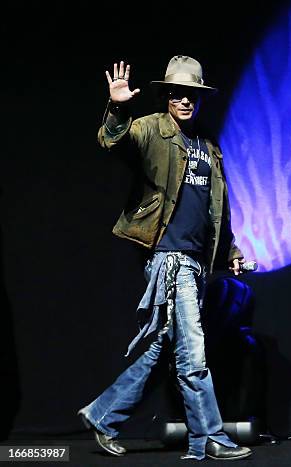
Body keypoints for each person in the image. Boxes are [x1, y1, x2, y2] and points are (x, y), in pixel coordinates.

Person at [77, 55, 252, 461]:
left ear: (199, 97)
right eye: (176, 94)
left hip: (194, 262)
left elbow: (216, 212)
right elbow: (113, 141)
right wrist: (118, 107)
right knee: (193, 353)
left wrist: (231, 252)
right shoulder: (153, 129)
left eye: (191, 94)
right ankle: (208, 436)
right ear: (166, 96)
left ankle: (104, 415)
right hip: (169, 260)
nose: (184, 101)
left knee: (160, 348)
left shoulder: (208, 146)